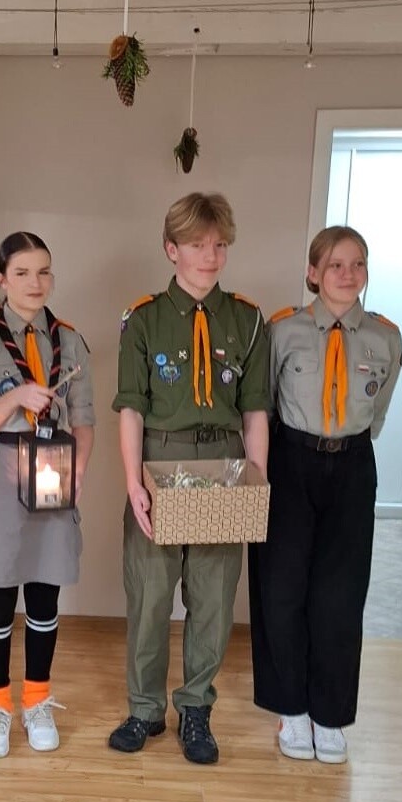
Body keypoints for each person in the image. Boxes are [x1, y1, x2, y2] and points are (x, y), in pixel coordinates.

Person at [109, 193, 269, 764]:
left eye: (220, 244)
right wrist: (133, 483)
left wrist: (257, 482)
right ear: (171, 248)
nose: (211, 255)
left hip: (224, 462)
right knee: (150, 595)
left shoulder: (247, 319)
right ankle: (145, 709)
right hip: (160, 460)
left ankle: (196, 708)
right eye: (198, 244)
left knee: (214, 598)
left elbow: (254, 410)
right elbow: (131, 408)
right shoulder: (144, 319)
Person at [249, 226, 402, 764]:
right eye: (335, 264)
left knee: (340, 594)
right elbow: (264, 401)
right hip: (292, 459)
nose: (347, 274)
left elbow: (378, 408)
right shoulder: (282, 330)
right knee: (282, 587)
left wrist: (348, 444)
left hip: (352, 465)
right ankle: (290, 709)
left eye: (357, 264)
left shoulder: (385, 337)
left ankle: (330, 714)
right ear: (313, 272)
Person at [0, 232, 95, 758]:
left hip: (54, 469)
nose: (35, 283)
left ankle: (37, 699)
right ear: (2, 279)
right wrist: (16, 395)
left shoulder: (70, 340)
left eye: (43, 272)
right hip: (1, 469)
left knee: (44, 595)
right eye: (22, 273)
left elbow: (84, 419)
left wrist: (78, 474)